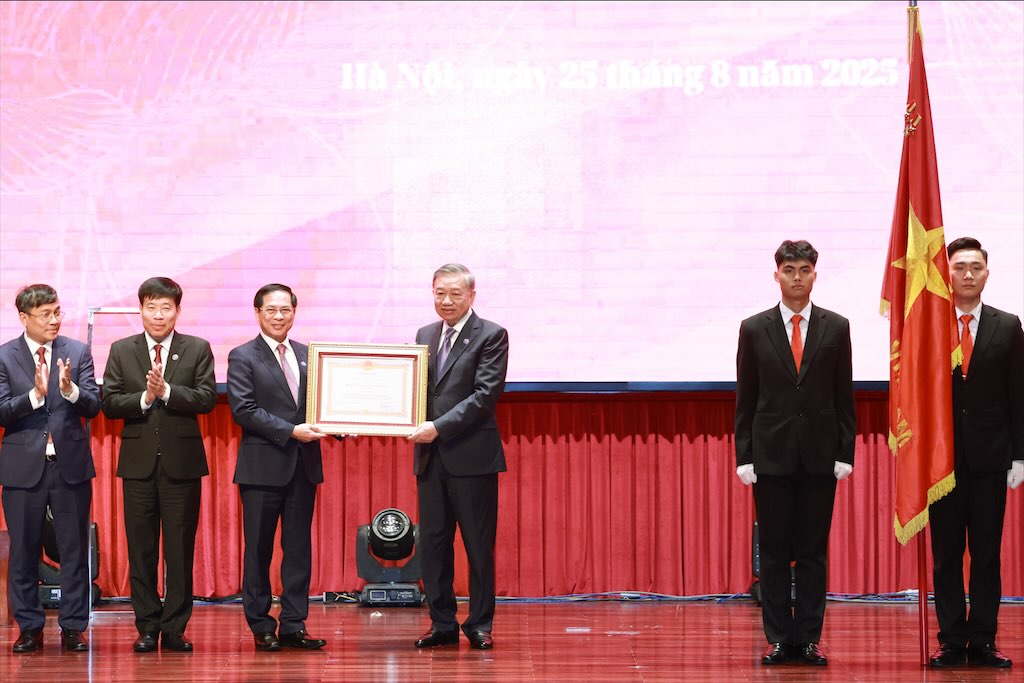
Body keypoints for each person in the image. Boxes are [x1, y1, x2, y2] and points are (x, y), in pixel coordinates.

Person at [734, 240, 855, 666]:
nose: (797, 277)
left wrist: (845, 451)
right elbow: (746, 398)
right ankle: (778, 639)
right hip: (771, 457)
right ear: (777, 275)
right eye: (789, 270)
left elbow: (844, 396)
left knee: (811, 552)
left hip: (821, 458)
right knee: (772, 550)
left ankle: (807, 638)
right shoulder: (754, 328)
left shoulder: (836, 327)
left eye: (804, 270)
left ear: (814, 275)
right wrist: (744, 456)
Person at [100, 277, 216, 653]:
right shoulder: (122, 349)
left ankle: (176, 627)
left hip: (182, 465)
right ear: (141, 309)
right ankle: (147, 626)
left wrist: (167, 391)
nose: (158, 315)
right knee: (142, 549)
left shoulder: (197, 348)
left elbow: (206, 397)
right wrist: (145, 399)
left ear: (178, 311)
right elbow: (110, 402)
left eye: (166, 307)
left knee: (180, 551)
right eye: (151, 307)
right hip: (137, 466)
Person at [927, 237, 1022, 669]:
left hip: (989, 458)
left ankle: (983, 639)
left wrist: (1018, 457)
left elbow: (1017, 396)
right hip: (940, 461)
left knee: (986, 554)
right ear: (947, 273)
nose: (967, 274)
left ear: (987, 273)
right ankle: (950, 640)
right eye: (960, 266)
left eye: (975, 267)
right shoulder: (928, 325)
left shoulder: (1008, 325)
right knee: (946, 555)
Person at [407, 263, 509, 650]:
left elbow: (484, 397)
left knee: (477, 545)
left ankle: (480, 624)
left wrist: (438, 427)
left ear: (471, 296)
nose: (446, 301)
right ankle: (442, 622)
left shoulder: (492, 335)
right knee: (433, 544)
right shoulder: (424, 335)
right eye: (439, 293)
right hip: (430, 458)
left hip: (472, 458)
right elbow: (414, 390)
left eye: (455, 294)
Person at [226, 284, 329, 652]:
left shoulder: (311, 356)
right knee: (259, 550)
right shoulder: (242, 356)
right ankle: (260, 624)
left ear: (294, 312)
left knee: (298, 549)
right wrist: (291, 431)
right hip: (261, 469)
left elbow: (324, 405)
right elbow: (243, 409)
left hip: (303, 468)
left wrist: (342, 420)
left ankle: (294, 624)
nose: (279, 316)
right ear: (258, 313)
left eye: (286, 310)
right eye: (271, 310)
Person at [0, 284, 101, 653]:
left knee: (74, 549)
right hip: (22, 467)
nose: (55, 320)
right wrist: (35, 396)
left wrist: (70, 389)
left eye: (57, 311)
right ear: (24, 318)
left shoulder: (77, 351)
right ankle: (30, 626)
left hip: (69, 466)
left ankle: (74, 626)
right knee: (24, 551)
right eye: (46, 314)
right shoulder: (4, 356)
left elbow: (93, 405)